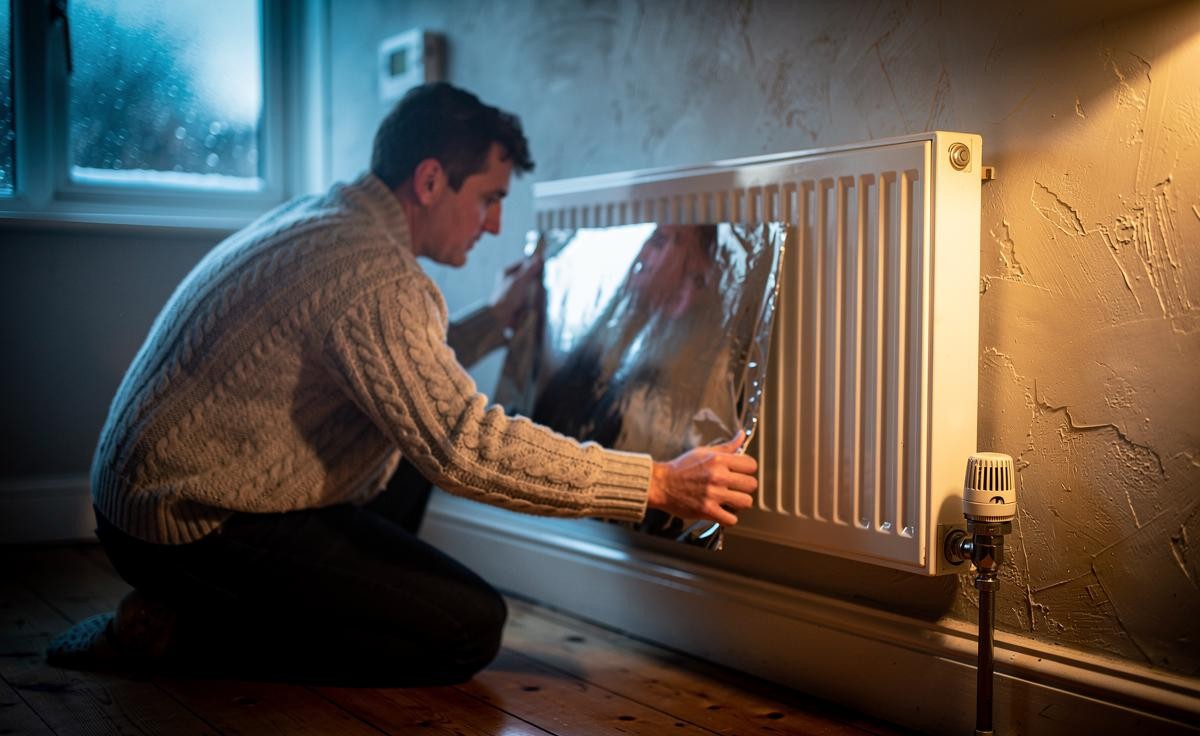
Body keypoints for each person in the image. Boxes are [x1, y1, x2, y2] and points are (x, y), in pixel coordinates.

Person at [47, 83, 758, 686]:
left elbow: (393, 372)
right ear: (428, 181)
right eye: (487, 199)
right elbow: (468, 448)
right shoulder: (376, 277)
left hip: (147, 498)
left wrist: (495, 323)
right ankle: (179, 633)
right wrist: (657, 485)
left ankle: (227, 607)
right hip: (185, 526)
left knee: (409, 455)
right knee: (466, 630)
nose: (496, 223)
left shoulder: (329, 220)